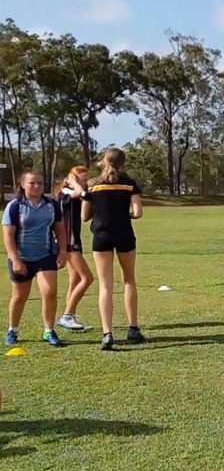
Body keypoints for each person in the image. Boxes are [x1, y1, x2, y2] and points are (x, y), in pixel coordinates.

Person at [83, 147, 145, 351]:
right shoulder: (130, 184)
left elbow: (84, 216)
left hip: (101, 237)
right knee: (129, 280)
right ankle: (133, 328)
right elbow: (137, 213)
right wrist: (122, 214)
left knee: (105, 286)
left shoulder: (92, 185)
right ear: (123, 163)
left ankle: (107, 334)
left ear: (104, 160)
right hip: (125, 235)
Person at [3, 169, 68, 347]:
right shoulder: (15, 206)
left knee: (50, 292)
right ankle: (13, 330)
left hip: (46, 256)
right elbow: (8, 236)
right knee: (20, 297)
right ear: (22, 185)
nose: (37, 186)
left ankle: (49, 330)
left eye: (39, 183)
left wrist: (63, 251)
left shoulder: (52, 205)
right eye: (32, 183)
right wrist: (16, 259)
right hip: (22, 258)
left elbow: (60, 229)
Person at [55, 166, 93, 331]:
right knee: (87, 278)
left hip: (74, 240)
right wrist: (73, 181)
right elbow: (83, 194)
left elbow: (87, 196)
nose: (86, 182)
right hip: (68, 243)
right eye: (83, 179)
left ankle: (69, 316)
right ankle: (67, 316)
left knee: (75, 279)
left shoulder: (72, 193)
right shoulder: (66, 192)